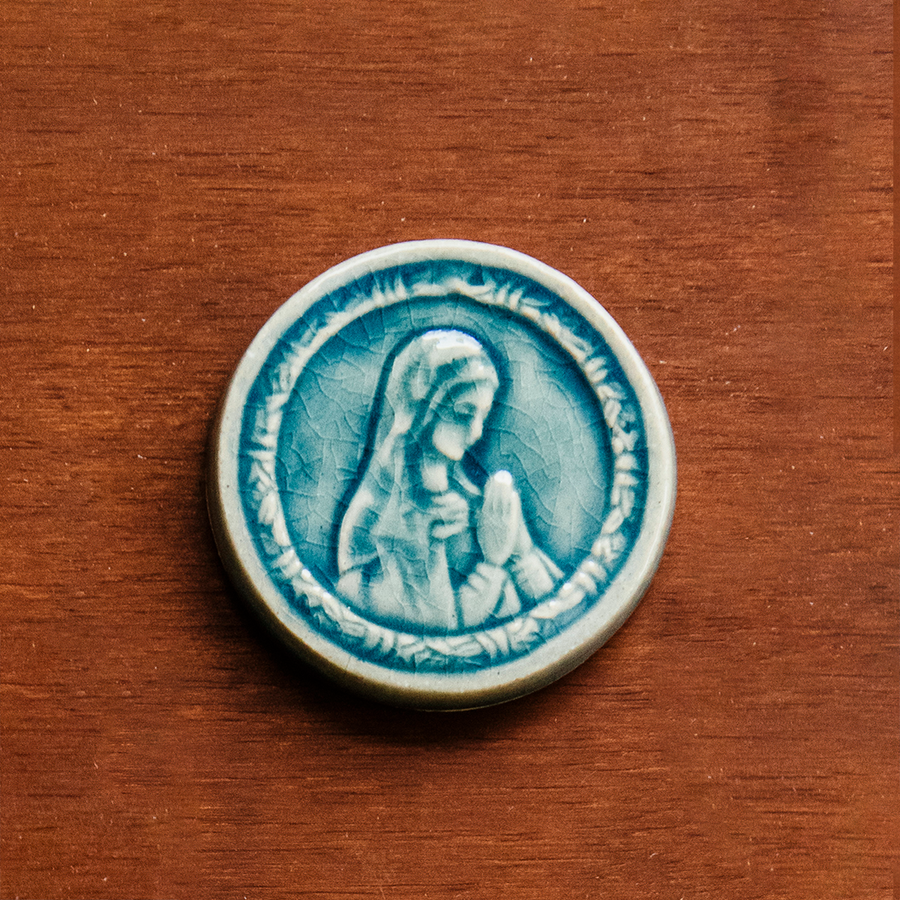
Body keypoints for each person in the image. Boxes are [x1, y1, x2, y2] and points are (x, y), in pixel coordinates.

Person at [337, 329, 562, 633]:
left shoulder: (475, 502)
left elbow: (555, 611)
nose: (477, 432)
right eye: (463, 413)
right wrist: (492, 566)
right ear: (421, 410)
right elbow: (436, 631)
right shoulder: (392, 522)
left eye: (483, 415)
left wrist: (522, 554)